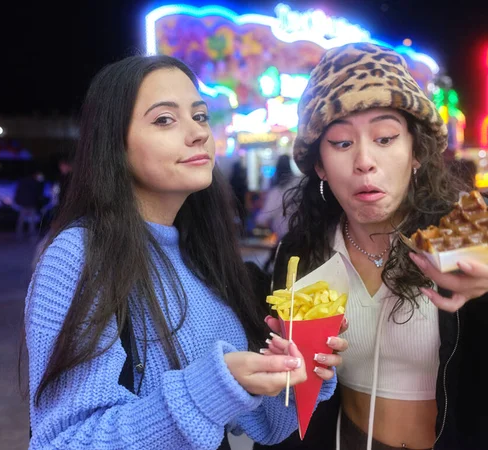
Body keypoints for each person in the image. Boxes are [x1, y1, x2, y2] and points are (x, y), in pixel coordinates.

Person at [23, 54, 347, 449]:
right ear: (115, 144)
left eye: (199, 117)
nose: (197, 134)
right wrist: (210, 389)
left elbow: (264, 424)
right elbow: (65, 442)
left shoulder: (203, 254)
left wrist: (301, 372)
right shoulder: (80, 254)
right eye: (164, 119)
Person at [257, 43, 488, 450]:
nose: (364, 161)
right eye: (342, 143)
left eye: (385, 137)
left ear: (415, 150)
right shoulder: (303, 253)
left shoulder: (481, 226)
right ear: (319, 165)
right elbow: (286, 397)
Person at [256, 154, 299, 270]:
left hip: (285, 237)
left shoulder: (277, 191)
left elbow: (264, 216)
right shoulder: (299, 184)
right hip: (302, 233)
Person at [14, 167, 45, 238]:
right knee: (32, 220)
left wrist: (18, 201)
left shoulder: (22, 181)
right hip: (31, 203)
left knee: (21, 220)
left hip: (24, 203)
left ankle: (19, 234)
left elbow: (18, 192)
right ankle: (32, 233)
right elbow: (38, 193)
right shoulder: (35, 182)